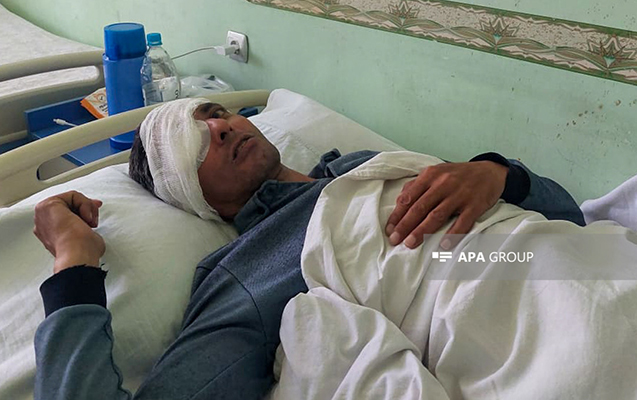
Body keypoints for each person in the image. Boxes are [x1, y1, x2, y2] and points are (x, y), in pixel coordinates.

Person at [32, 98, 584, 399]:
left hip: (568, 262)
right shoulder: (246, 272)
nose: (219, 128)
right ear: (189, 196)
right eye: (190, 142)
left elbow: (570, 216)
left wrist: (499, 175)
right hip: (530, 327)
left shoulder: (363, 166)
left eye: (216, 112)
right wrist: (73, 264)